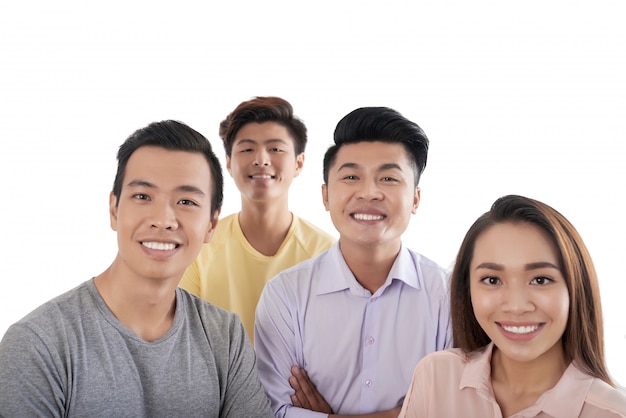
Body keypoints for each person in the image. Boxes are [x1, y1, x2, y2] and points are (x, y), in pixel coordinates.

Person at [0, 120, 272, 417]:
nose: (163, 219)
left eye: (186, 201)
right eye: (143, 197)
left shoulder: (226, 337)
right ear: (114, 209)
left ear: (211, 224)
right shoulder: (38, 344)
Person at [254, 106, 452, 418]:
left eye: (388, 178)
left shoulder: (447, 294)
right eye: (350, 176)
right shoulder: (285, 295)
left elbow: (455, 408)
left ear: (415, 198)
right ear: (326, 196)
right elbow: (273, 412)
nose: (369, 192)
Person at [399, 194, 626, 418]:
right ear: (467, 289)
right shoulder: (437, 376)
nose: (516, 307)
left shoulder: (613, 411)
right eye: (492, 280)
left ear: (575, 288)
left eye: (540, 280)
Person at [179, 96, 335, 343]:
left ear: (298, 163)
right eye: (247, 149)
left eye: (275, 149)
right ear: (229, 164)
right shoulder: (199, 248)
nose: (261, 159)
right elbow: (185, 339)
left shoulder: (328, 254)